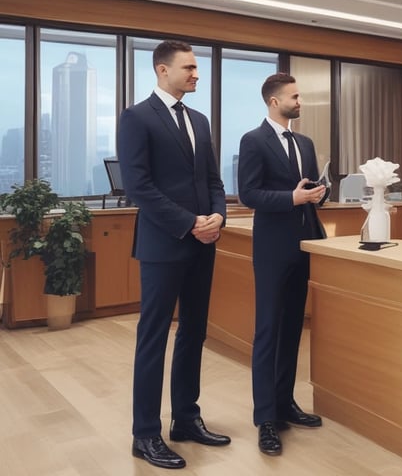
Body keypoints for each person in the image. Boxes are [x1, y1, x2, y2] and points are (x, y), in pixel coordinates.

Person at [118, 40, 230, 470]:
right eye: (189, 68)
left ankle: (186, 418)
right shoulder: (137, 117)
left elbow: (215, 181)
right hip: (165, 244)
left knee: (194, 333)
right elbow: (138, 187)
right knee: (154, 338)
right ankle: (144, 434)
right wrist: (189, 223)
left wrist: (217, 217)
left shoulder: (199, 121)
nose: (196, 74)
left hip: (204, 244)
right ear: (163, 71)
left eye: (197, 68)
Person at [237, 72, 328, 456]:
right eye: (294, 96)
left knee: (293, 328)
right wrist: (291, 199)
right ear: (275, 101)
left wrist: (317, 195)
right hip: (273, 247)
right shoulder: (253, 141)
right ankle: (266, 419)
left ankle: (286, 403)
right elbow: (249, 194)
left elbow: (304, 192)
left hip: (304, 243)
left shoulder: (305, 143)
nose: (300, 101)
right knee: (268, 331)